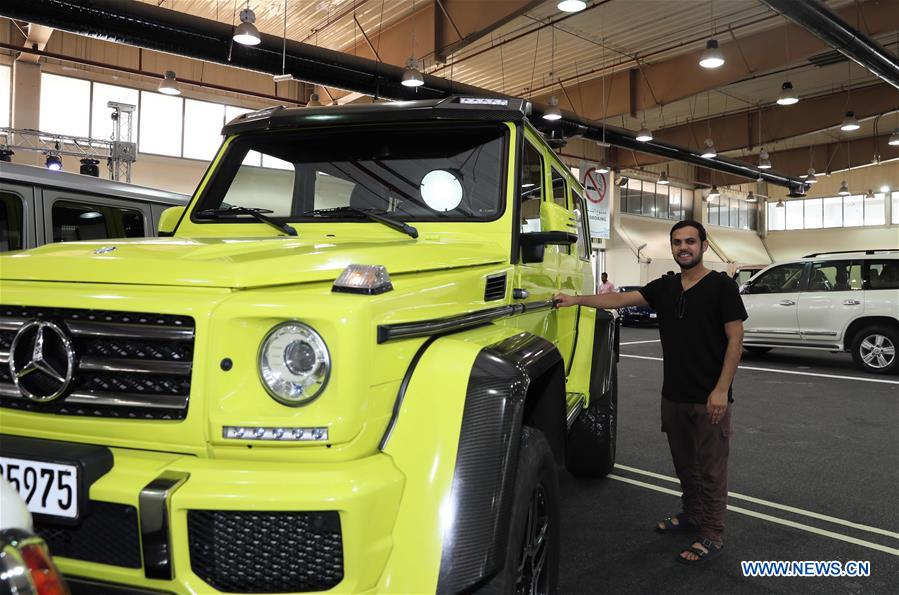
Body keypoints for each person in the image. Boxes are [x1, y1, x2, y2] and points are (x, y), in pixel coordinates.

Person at [554, 220, 746, 565]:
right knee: (685, 465)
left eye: (690, 241)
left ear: (704, 246)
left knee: (712, 470)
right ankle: (692, 514)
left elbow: (736, 339)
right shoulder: (665, 287)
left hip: (709, 398)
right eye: (677, 242)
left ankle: (712, 533)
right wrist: (575, 299)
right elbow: (619, 298)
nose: (683, 247)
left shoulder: (722, 287)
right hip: (673, 396)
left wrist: (721, 390)